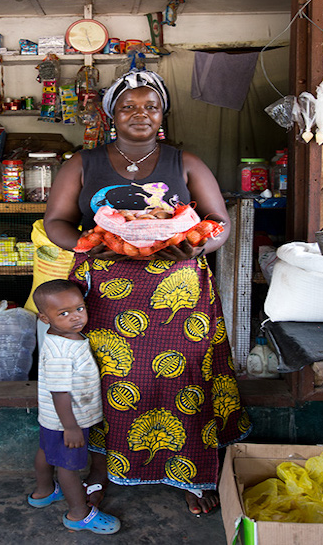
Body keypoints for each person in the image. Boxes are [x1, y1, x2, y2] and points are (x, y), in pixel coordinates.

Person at [43, 67, 250, 515]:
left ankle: (197, 474)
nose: (141, 114)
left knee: (184, 378)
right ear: (111, 114)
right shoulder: (82, 164)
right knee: (107, 379)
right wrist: (93, 240)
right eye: (129, 107)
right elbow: (55, 221)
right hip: (105, 296)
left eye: (151, 106)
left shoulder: (185, 162)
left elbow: (220, 222)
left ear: (163, 114)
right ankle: (100, 472)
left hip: (178, 297)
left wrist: (196, 248)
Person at [27, 279, 121, 535]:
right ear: (45, 318)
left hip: (51, 419)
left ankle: (43, 491)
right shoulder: (61, 351)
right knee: (69, 467)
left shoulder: (65, 336)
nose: (76, 317)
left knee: (47, 451)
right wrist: (71, 427)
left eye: (79, 308)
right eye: (64, 313)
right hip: (68, 419)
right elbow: (60, 392)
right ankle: (78, 514)